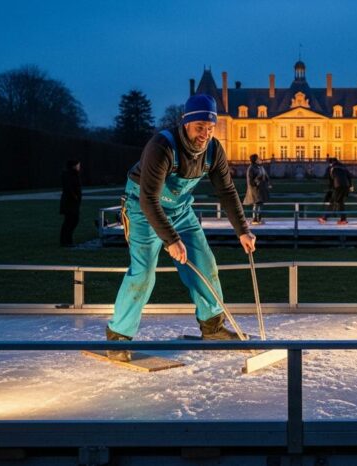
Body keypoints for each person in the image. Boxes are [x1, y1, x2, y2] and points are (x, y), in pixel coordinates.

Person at [107, 94, 256, 362]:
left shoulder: (213, 150)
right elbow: (149, 199)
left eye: (210, 128)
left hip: (180, 211)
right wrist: (171, 239)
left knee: (205, 263)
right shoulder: (162, 146)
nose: (205, 134)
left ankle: (212, 327)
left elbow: (227, 191)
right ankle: (118, 335)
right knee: (143, 273)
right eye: (200, 127)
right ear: (185, 123)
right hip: (143, 209)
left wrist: (242, 230)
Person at [318, 158, 352, 225]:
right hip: (346, 187)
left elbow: (331, 180)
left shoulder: (332, 168)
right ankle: (343, 219)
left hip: (338, 186)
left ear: (331, 163)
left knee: (333, 201)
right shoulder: (344, 167)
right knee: (341, 203)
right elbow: (349, 177)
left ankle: (324, 218)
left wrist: (330, 188)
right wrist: (350, 186)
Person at [59, 159, 82, 247]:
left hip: (72, 202)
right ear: (74, 166)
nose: (79, 167)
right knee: (70, 221)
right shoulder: (69, 175)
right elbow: (69, 188)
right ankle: (66, 241)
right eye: (78, 165)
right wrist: (75, 196)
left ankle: (67, 240)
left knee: (71, 221)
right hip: (70, 202)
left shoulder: (73, 174)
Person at [243, 153, 271, 225]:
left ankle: (259, 218)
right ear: (255, 160)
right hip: (255, 189)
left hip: (261, 189)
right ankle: (255, 219)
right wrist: (256, 183)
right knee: (256, 203)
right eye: (258, 158)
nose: (259, 159)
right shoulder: (251, 168)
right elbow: (250, 180)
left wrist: (267, 183)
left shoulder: (259, 167)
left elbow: (265, 176)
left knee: (260, 203)